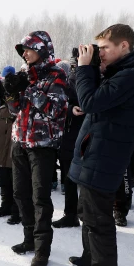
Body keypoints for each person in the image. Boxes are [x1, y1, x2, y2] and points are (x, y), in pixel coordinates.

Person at [67, 24, 134, 266]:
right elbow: (95, 101)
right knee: (87, 211)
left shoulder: (133, 75)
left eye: (105, 47)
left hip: (106, 154)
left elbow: (92, 102)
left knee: (98, 218)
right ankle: (90, 257)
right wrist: (93, 69)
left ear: (124, 46)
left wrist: (86, 69)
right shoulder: (120, 72)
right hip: (96, 149)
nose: (101, 53)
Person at [4, 31, 68, 266]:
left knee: (40, 198)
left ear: (42, 50)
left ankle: (42, 250)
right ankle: (29, 239)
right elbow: (14, 110)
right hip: (19, 141)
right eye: (23, 51)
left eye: (29, 49)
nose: (25, 54)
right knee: (20, 193)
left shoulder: (57, 75)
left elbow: (55, 110)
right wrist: (11, 93)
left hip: (43, 146)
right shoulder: (24, 74)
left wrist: (30, 89)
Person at [53, 60, 82, 229]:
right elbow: (59, 104)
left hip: (88, 135)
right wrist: (70, 108)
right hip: (68, 134)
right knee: (69, 177)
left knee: (86, 180)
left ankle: (90, 217)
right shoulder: (67, 80)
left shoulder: (97, 78)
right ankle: (71, 214)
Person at [0, 102, 21, 225]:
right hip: (2, 154)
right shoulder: (2, 110)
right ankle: (5, 206)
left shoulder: (24, 109)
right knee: (4, 181)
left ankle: (17, 210)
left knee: (17, 185)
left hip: (17, 157)